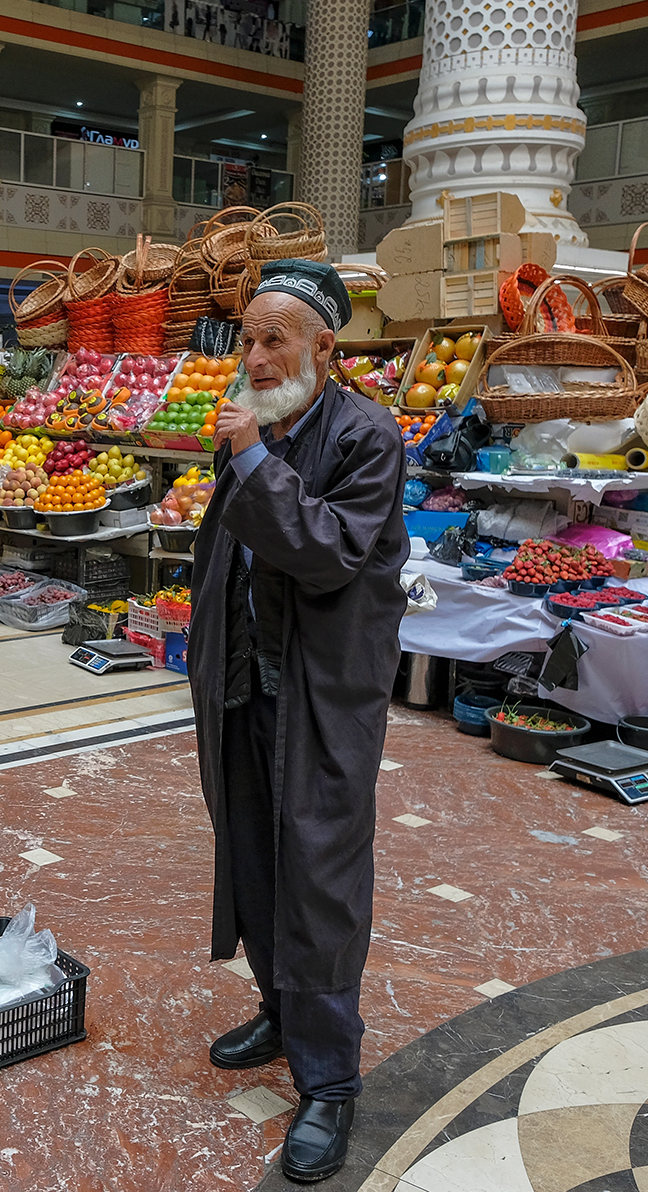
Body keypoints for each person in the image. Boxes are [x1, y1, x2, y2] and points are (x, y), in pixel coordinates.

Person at [185, 260, 407, 1186]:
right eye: (247, 337)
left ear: (326, 345)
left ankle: (331, 1078)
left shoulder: (366, 436)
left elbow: (323, 554)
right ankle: (281, 1005)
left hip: (319, 690)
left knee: (319, 869)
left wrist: (247, 460)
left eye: (274, 337)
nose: (256, 355)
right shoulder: (260, 425)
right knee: (253, 847)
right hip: (245, 678)